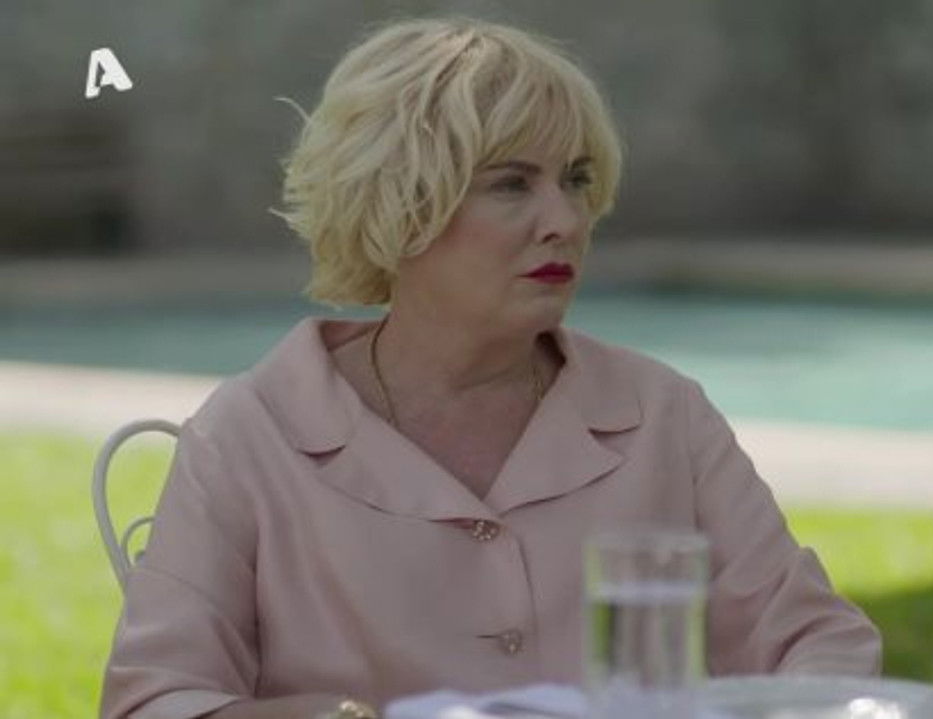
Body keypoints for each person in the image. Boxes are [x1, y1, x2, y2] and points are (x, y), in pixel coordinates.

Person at [100, 17, 881, 719]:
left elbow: (817, 645)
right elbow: (156, 699)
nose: (566, 219)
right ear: (399, 202)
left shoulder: (661, 414)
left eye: (576, 179)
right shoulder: (251, 434)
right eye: (512, 183)